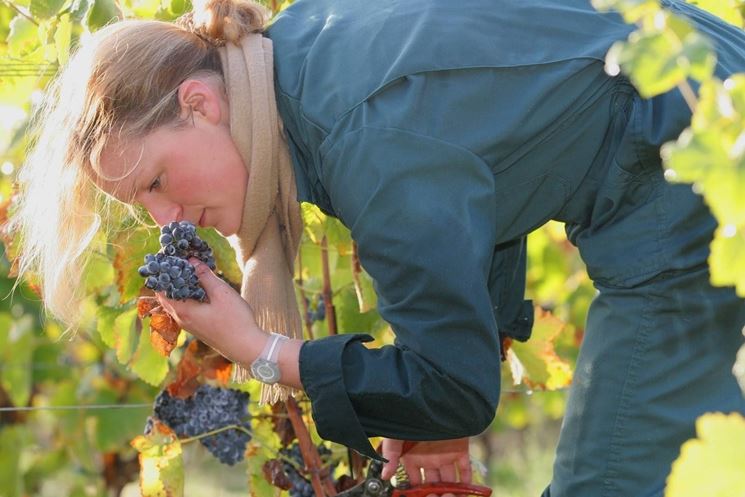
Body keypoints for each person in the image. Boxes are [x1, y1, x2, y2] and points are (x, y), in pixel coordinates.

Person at [8, 0, 745, 495]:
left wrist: (261, 349)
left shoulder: (355, 132)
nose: (168, 215)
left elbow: (454, 386)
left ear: (199, 106)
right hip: (705, 110)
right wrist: (454, 379)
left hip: (692, 173)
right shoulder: (303, 55)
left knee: (605, 481)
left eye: (158, 181)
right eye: (142, 205)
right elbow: (488, 170)